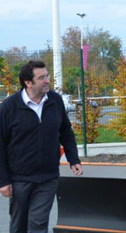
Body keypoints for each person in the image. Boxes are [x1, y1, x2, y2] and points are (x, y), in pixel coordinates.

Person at [0, 60, 83, 233]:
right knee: (18, 225)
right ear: (28, 82)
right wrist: (4, 180)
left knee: (38, 224)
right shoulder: (10, 107)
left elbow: (65, 131)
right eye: (42, 77)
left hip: (48, 177)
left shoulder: (55, 100)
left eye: (47, 76)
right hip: (19, 179)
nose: (47, 80)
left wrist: (73, 159)